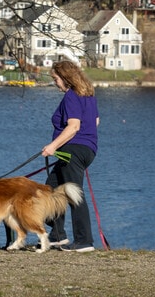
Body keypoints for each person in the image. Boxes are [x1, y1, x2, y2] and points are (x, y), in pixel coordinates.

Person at [41, 60, 99, 253]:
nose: (55, 83)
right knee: (51, 189)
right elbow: (95, 121)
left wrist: (52, 146)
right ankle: (58, 236)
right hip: (85, 150)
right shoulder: (88, 95)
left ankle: (84, 241)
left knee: (74, 194)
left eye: (56, 79)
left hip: (72, 151)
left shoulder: (71, 96)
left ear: (65, 78)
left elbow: (73, 126)